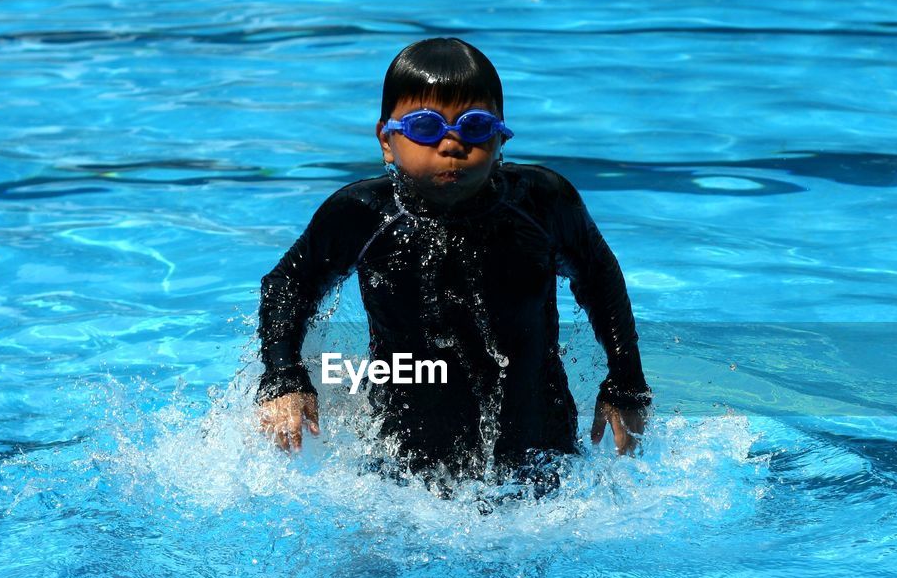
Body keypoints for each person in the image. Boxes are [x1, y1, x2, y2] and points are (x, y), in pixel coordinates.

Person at [255, 37, 650, 484]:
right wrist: (284, 377)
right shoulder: (362, 214)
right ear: (387, 140)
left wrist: (626, 383)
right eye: (425, 128)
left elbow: (599, 278)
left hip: (539, 448)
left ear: (500, 136)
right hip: (403, 455)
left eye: (475, 127)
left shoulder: (541, 203)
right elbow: (289, 285)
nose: (451, 144)